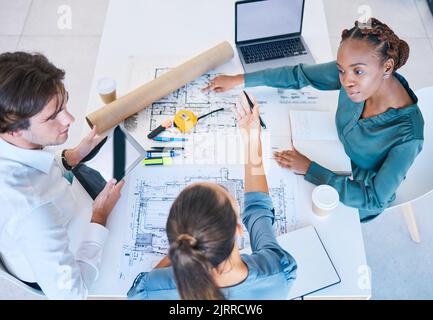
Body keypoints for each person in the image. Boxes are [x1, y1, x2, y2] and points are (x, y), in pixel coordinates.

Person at [203, 18, 424, 222]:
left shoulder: (408, 137)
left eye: (358, 71)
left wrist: (311, 169)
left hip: (354, 191)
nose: (347, 81)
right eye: (341, 70)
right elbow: (299, 75)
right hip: (333, 153)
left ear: (387, 67)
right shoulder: (356, 77)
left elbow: (375, 199)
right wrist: (239, 79)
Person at [127, 92, 297, 300]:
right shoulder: (277, 270)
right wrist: (253, 139)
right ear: (238, 228)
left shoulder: (153, 289)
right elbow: (258, 210)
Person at [0, 52, 125, 299]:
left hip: (65, 210)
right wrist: (99, 217)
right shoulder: (32, 209)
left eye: (64, 104)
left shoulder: (13, 141)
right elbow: (70, 295)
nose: (70, 119)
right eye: (52, 117)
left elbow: (40, 170)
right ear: (14, 131)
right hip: (71, 254)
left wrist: (72, 157)